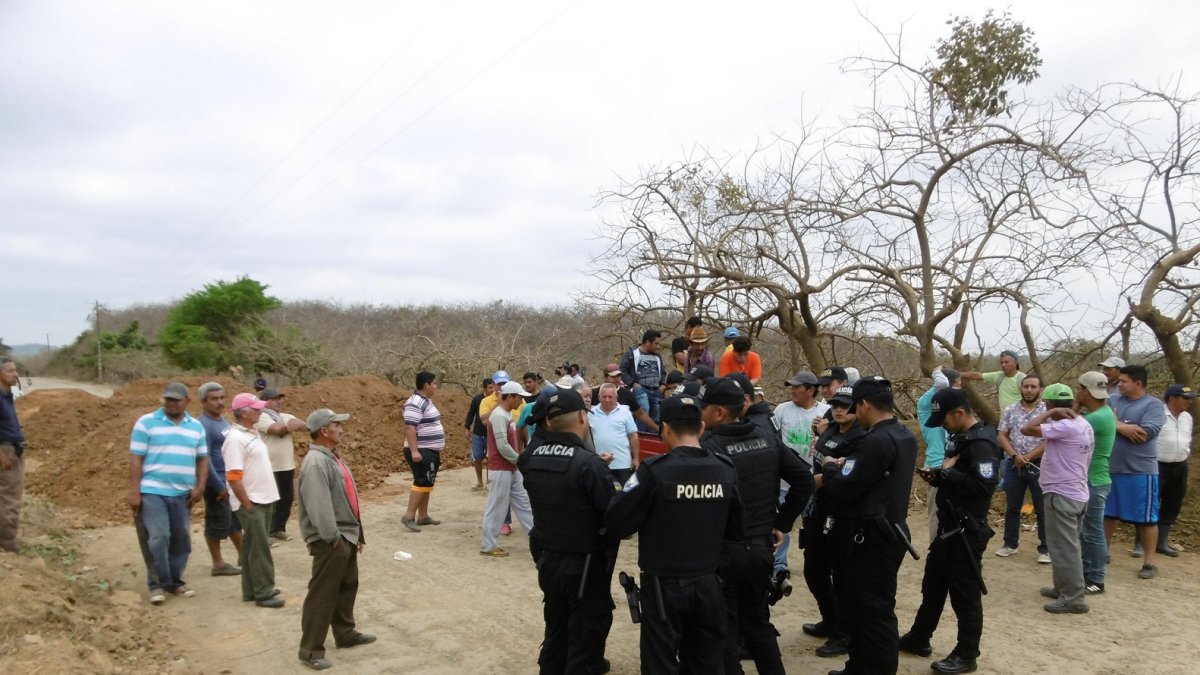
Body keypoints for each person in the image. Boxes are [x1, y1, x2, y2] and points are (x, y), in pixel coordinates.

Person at [604, 395, 743, 674]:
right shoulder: (724, 469)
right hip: (708, 582)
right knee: (706, 662)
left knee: (660, 662)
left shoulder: (653, 471)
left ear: (664, 429)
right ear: (701, 428)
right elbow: (737, 530)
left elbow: (616, 521)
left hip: (663, 587)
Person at [700, 377, 811, 675]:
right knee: (758, 625)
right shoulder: (767, 438)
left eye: (704, 408)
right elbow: (804, 479)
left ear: (720, 412)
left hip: (724, 552)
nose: (701, 413)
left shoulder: (709, 447)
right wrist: (781, 524)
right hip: (760, 550)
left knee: (724, 628)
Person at [819, 375, 917, 675]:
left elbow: (847, 487)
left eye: (853, 405)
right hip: (887, 528)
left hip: (873, 535)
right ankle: (857, 666)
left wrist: (830, 469)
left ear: (864, 405)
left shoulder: (876, 441)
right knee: (859, 607)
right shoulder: (903, 435)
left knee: (874, 611)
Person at [518, 387, 619, 675]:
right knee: (585, 638)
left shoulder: (531, 457)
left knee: (556, 629)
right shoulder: (588, 464)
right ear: (583, 419)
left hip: (549, 560)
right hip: (585, 566)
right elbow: (613, 515)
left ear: (548, 422)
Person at [901, 387, 1001, 673]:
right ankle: (919, 637)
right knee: (932, 586)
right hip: (948, 527)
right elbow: (957, 478)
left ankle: (967, 653)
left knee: (964, 594)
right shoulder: (961, 437)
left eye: (944, 420)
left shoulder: (982, 443)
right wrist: (938, 478)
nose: (942, 426)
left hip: (966, 530)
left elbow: (984, 486)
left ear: (959, 412)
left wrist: (947, 474)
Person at [297, 408, 376, 670]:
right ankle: (310, 650)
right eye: (337, 425)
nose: (341, 429)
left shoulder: (331, 457)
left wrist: (357, 533)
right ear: (324, 431)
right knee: (323, 593)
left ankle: (344, 634)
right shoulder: (317, 462)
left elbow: (347, 499)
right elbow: (319, 506)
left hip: (346, 536)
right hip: (332, 539)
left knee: (346, 586)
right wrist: (333, 538)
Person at [128, 382, 209, 605]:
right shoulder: (146, 423)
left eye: (176, 400)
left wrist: (200, 486)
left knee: (181, 537)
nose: (171, 404)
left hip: (182, 492)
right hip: (152, 490)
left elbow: (202, 459)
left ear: (187, 401)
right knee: (158, 537)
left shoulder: (195, 427)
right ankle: (157, 584)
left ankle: (175, 581)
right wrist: (135, 491)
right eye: (168, 399)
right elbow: (136, 459)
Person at [800, 386, 865, 659]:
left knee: (843, 576)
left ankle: (844, 632)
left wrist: (810, 483)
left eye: (846, 406)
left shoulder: (861, 438)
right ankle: (831, 618)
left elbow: (843, 476)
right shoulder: (828, 428)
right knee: (813, 569)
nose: (839, 409)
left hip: (842, 513)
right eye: (836, 404)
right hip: (817, 508)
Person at [1021, 383, 1096, 615]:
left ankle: (1073, 598)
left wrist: (1051, 414)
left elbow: (1026, 428)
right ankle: (1063, 587)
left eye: (1047, 405)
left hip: (1062, 493)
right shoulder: (1083, 423)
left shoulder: (1064, 426)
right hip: (1076, 491)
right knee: (1065, 544)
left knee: (1065, 547)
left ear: (1051, 405)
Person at [1105, 365, 1167, 579]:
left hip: (1140, 470)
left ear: (1138, 383)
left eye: (1123, 381)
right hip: (1110, 467)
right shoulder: (1112, 400)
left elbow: (1144, 433)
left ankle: (1149, 563)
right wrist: (1123, 427)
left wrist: (1114, 423)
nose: (1118, 384)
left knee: (1146, 518)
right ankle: (1102, 553)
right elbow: (1099, 423)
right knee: (1107, 514)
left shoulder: (1154, 405)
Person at [224, 393, 283, 608]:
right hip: (252, 501)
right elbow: (233, 477)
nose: (260, 412)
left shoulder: (250, 433)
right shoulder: (235, 439)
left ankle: (251, 589)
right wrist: (247, 504)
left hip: (262, 498)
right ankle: (264, 592)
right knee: (260, 548)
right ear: (243, 412)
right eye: (256, 409)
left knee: (251, 547)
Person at [995, 375, 1049, 563]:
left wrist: (1029, 456)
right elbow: (1002, 435)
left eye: (1033, 386)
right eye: (1025, 386)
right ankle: (1010, 544)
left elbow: (1051, 440)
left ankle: (1045, 548)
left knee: (1042, 508)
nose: (1029, 390)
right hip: (1013, 464)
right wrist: (1014, 455)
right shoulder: (1011, 410)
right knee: (1012, 506)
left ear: (1040, 389)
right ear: (1021, 389)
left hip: (1039, 463)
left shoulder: (1047, 411)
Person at [481, 381, 536, 556]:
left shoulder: (505, 414)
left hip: (511, 468)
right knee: (497, 506)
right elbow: (502, 445)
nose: (520, 401)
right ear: (510, 396)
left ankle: (538, 540)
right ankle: (489, 545)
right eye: (519, 397)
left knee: (524, 503)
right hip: (501, 468)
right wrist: (519, 460)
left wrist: (517, 463)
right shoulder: (499, 416)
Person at [1077, 371, 1116, 594]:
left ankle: (1096, 579)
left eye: (1080, 388)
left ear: (1085, 391)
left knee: (1092, 532)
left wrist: (1072, 405)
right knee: (1087, 531)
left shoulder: (1096, 418)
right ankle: (1086, 575)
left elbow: (1068, 426)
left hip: (1095, 479)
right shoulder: (1104, 412)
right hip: (1093, 479)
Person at [197, 382, 242, 576]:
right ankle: (218, 564)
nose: (220, 402)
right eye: (214, 399)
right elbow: (203, 458)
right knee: (216, 521)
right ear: (203, 401)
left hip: (229, 481)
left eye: (222, 398)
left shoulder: (223, 421)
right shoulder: (203, 425)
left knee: (233, 519)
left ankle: (244, 555)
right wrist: (218, 485)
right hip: (215, 482)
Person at [916, 367, 961, 542]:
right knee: (937, 513)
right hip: (936, 466)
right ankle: (936, 549)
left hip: (955, 465)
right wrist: (937, 370)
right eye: (957, 385)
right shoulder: (926, 405)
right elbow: (941, 383)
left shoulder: (953, 411)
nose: (960, 389)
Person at [257, 388, 306, 541]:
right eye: (275, 399)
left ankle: (278, 529)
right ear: (264, 401)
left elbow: (305, 426)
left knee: (286, 499)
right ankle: (264, 533)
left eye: (280, 398)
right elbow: (276, 430)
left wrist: (297, 425)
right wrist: (289, 427)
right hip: (269, 467)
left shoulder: (285, 416)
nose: (280, 401)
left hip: (286, 466)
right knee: (269, 502)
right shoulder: (260, 416)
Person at [401, 372, 445, 533]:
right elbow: (410, 428)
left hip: (429, 449)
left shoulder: (426, 401)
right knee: (421, 481)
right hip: (421, 449)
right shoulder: (415, 403)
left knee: (427, 481)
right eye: (434, 383)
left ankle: (423, 516)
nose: (436, 386)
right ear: (426, 385)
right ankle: (409, 516)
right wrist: (414, 451)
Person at [1156, 383, 1194, 557]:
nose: (1189, 402)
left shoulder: (1187, 417)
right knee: (1151, 503)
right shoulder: (1157, 414)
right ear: (1172, 398)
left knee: (1173, 503)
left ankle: (1161, 541)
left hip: (1179, 465)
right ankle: (1140, 543)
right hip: (1157, 465)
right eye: (1185, 398)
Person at [773, 370, 829, 466]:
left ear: (811, 390)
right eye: (792, 387)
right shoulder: (781, 409)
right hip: (788, 473)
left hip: (817, 471)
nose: (793, 391)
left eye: (797, 387)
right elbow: (772, 439)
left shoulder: (826, 411)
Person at [0, 357, 26, 553]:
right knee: (10, 498)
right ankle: (7, 543)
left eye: (15, 370)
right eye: (10, 371)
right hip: (6, 452)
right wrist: (2, 456)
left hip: (13, 449)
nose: (15, 374)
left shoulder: (7, 395)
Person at [589, 383, 640, 485]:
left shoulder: (625, 413)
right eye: (604, 396)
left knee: (623, 496)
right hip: (598, 463)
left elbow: (633, 436)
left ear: (616, 397)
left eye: (610, 397)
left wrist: (636, 458)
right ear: (599, 397)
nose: (607, 400)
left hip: (622, 464)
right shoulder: (590, 413)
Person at [593, 363, 657, 433]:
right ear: (605, 377)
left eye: (618, 376)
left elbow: (640, 414)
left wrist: (657, 429)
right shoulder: (593, 393)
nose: (616, 379)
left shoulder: (627, 394)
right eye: (613, 376)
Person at [619, 330, 668, 423]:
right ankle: (640, 435)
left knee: (656, 416)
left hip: (656, 390)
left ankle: (652, 436)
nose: (658, 347)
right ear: (647, 342)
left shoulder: (658, 357)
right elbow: (622, 370)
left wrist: (663, 384)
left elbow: (662, 372)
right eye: (656, 344)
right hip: (640, 389)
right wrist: (633, 383)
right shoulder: (631, 354)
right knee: (644, 410)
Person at [961, 350, 1027, 414]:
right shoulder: (999, 376)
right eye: (1001, 362)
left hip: (1020, 421)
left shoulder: (1022, 379)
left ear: (1016, 363)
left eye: (1006, 362)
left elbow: (1031, 402)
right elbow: (977, 375)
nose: (1003, 365)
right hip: (1004, 422)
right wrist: (957, 374)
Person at [464, 378, 496, 492]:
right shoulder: (477, 399)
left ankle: (489, 482)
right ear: (484, 388)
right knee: (477, 457)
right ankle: (479, 482)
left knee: (489, 458)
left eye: (493, 387)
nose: (492, 390)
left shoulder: (497, 400)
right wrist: (467, 428)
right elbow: (470, 414)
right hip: (478, 433)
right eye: (490, 387)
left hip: (490, 433)